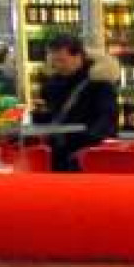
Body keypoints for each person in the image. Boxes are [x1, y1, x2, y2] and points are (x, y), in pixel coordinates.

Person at [32, 35, 118, 171]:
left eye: (62, 61)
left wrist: (86, 145)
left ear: (78, 57)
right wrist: (39, 114)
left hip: (87, 156)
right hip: (57, 154)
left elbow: (107, 120)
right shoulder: (52, 83)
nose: (57, 66)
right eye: (54, 61)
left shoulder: (99, 82)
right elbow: (50, 118)